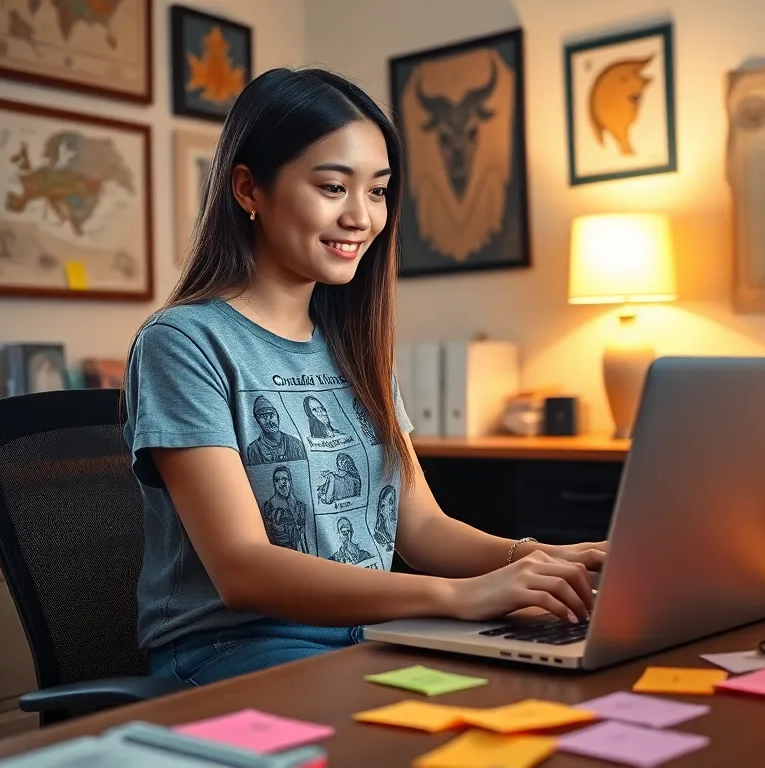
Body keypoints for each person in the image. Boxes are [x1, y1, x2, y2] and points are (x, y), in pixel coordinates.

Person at [124, 67, 606, 687]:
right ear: (248, 189)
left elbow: (423, 527)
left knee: (542, 696)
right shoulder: (184, 344)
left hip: (368, 636)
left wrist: (540, 558)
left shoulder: (352, 348)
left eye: (377, 191)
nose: (362, 217)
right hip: (235, 653)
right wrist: (458, 598)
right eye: (333, 187)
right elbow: (243, 571)